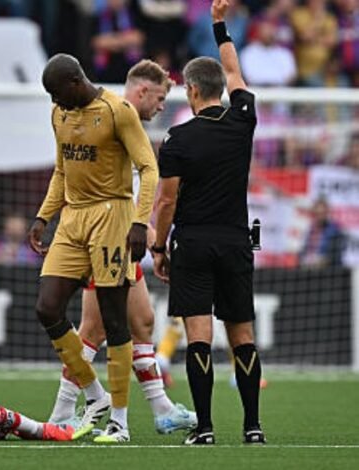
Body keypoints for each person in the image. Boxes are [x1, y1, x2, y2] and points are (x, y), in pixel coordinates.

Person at [46, 60, 196, 438]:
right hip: (98, 233)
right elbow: (69, 173)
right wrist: (138, 224)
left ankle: (160, 408)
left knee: (142, 320)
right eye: (160, 98)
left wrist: (140, 224)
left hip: (118, 233)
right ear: (142, 91)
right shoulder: (112, 117)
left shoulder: (122, 122)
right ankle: (66, 408)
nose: (162, 107)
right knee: (94, 328)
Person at [28, 53, 158, 443]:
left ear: (74, 82)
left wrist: (139, 220)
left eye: (56, 93)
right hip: (73, 218)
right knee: (47, 307)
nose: (54, 102)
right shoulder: (59, 116)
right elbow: (61, 170)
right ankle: (94, 395)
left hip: (112, 216)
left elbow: (148, 167)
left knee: (114, 318)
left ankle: (120, 421)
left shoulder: (117, 111)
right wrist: (42, 216)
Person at [152, 0, 266, 445]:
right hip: (236, 241)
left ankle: (204, 429)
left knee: (198, 337)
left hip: (194, 243)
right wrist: (220, 26)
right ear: (221, 87)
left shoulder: (178, 138)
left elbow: (165, 201)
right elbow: (236, 73)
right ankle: (253, 427)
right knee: (243, 336)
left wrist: (159, 248)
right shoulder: (243, 120)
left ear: (191, 91)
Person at [299, 197, 346, 268]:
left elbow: (335, 256)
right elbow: (303, 252)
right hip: (309, 269)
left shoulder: (335, 231)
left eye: (322, 213)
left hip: (327, 271)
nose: (320, 216)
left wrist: (322, 260)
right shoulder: (310, 230)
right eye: (317, 214)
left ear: (327, 213)